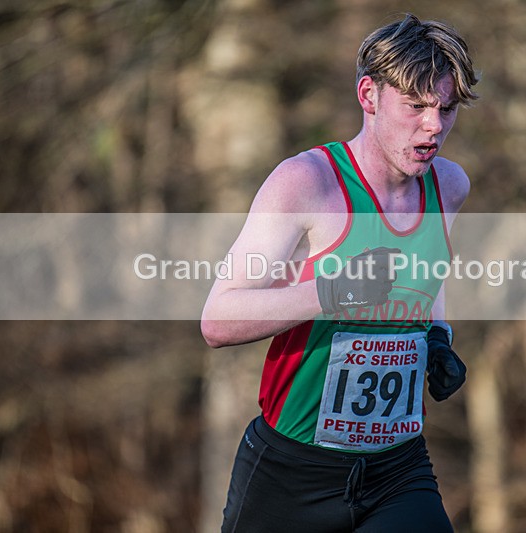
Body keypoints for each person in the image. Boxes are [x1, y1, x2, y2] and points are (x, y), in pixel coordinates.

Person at [201, 13, 478, 533]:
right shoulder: (306, 182)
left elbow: (429, 275)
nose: (434, 126)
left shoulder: (450, 186)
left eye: (446, 108)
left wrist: (438, 336)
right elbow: (217, 319)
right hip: (292, 474)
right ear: (369, 95)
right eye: (416, 106)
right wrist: (332, 292)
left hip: (397, 468)